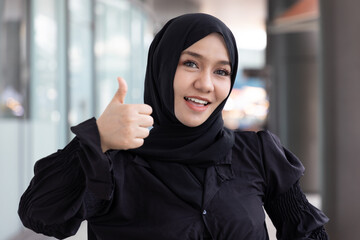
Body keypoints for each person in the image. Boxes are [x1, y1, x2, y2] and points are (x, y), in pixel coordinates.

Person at [18, 13, 329, 239]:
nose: (205, 84)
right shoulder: (116, 160)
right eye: (190, 63)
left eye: (221, 71)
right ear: (162, 67)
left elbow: (308, 232)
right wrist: (95, 139)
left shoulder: (258, 153)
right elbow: (42, 216)